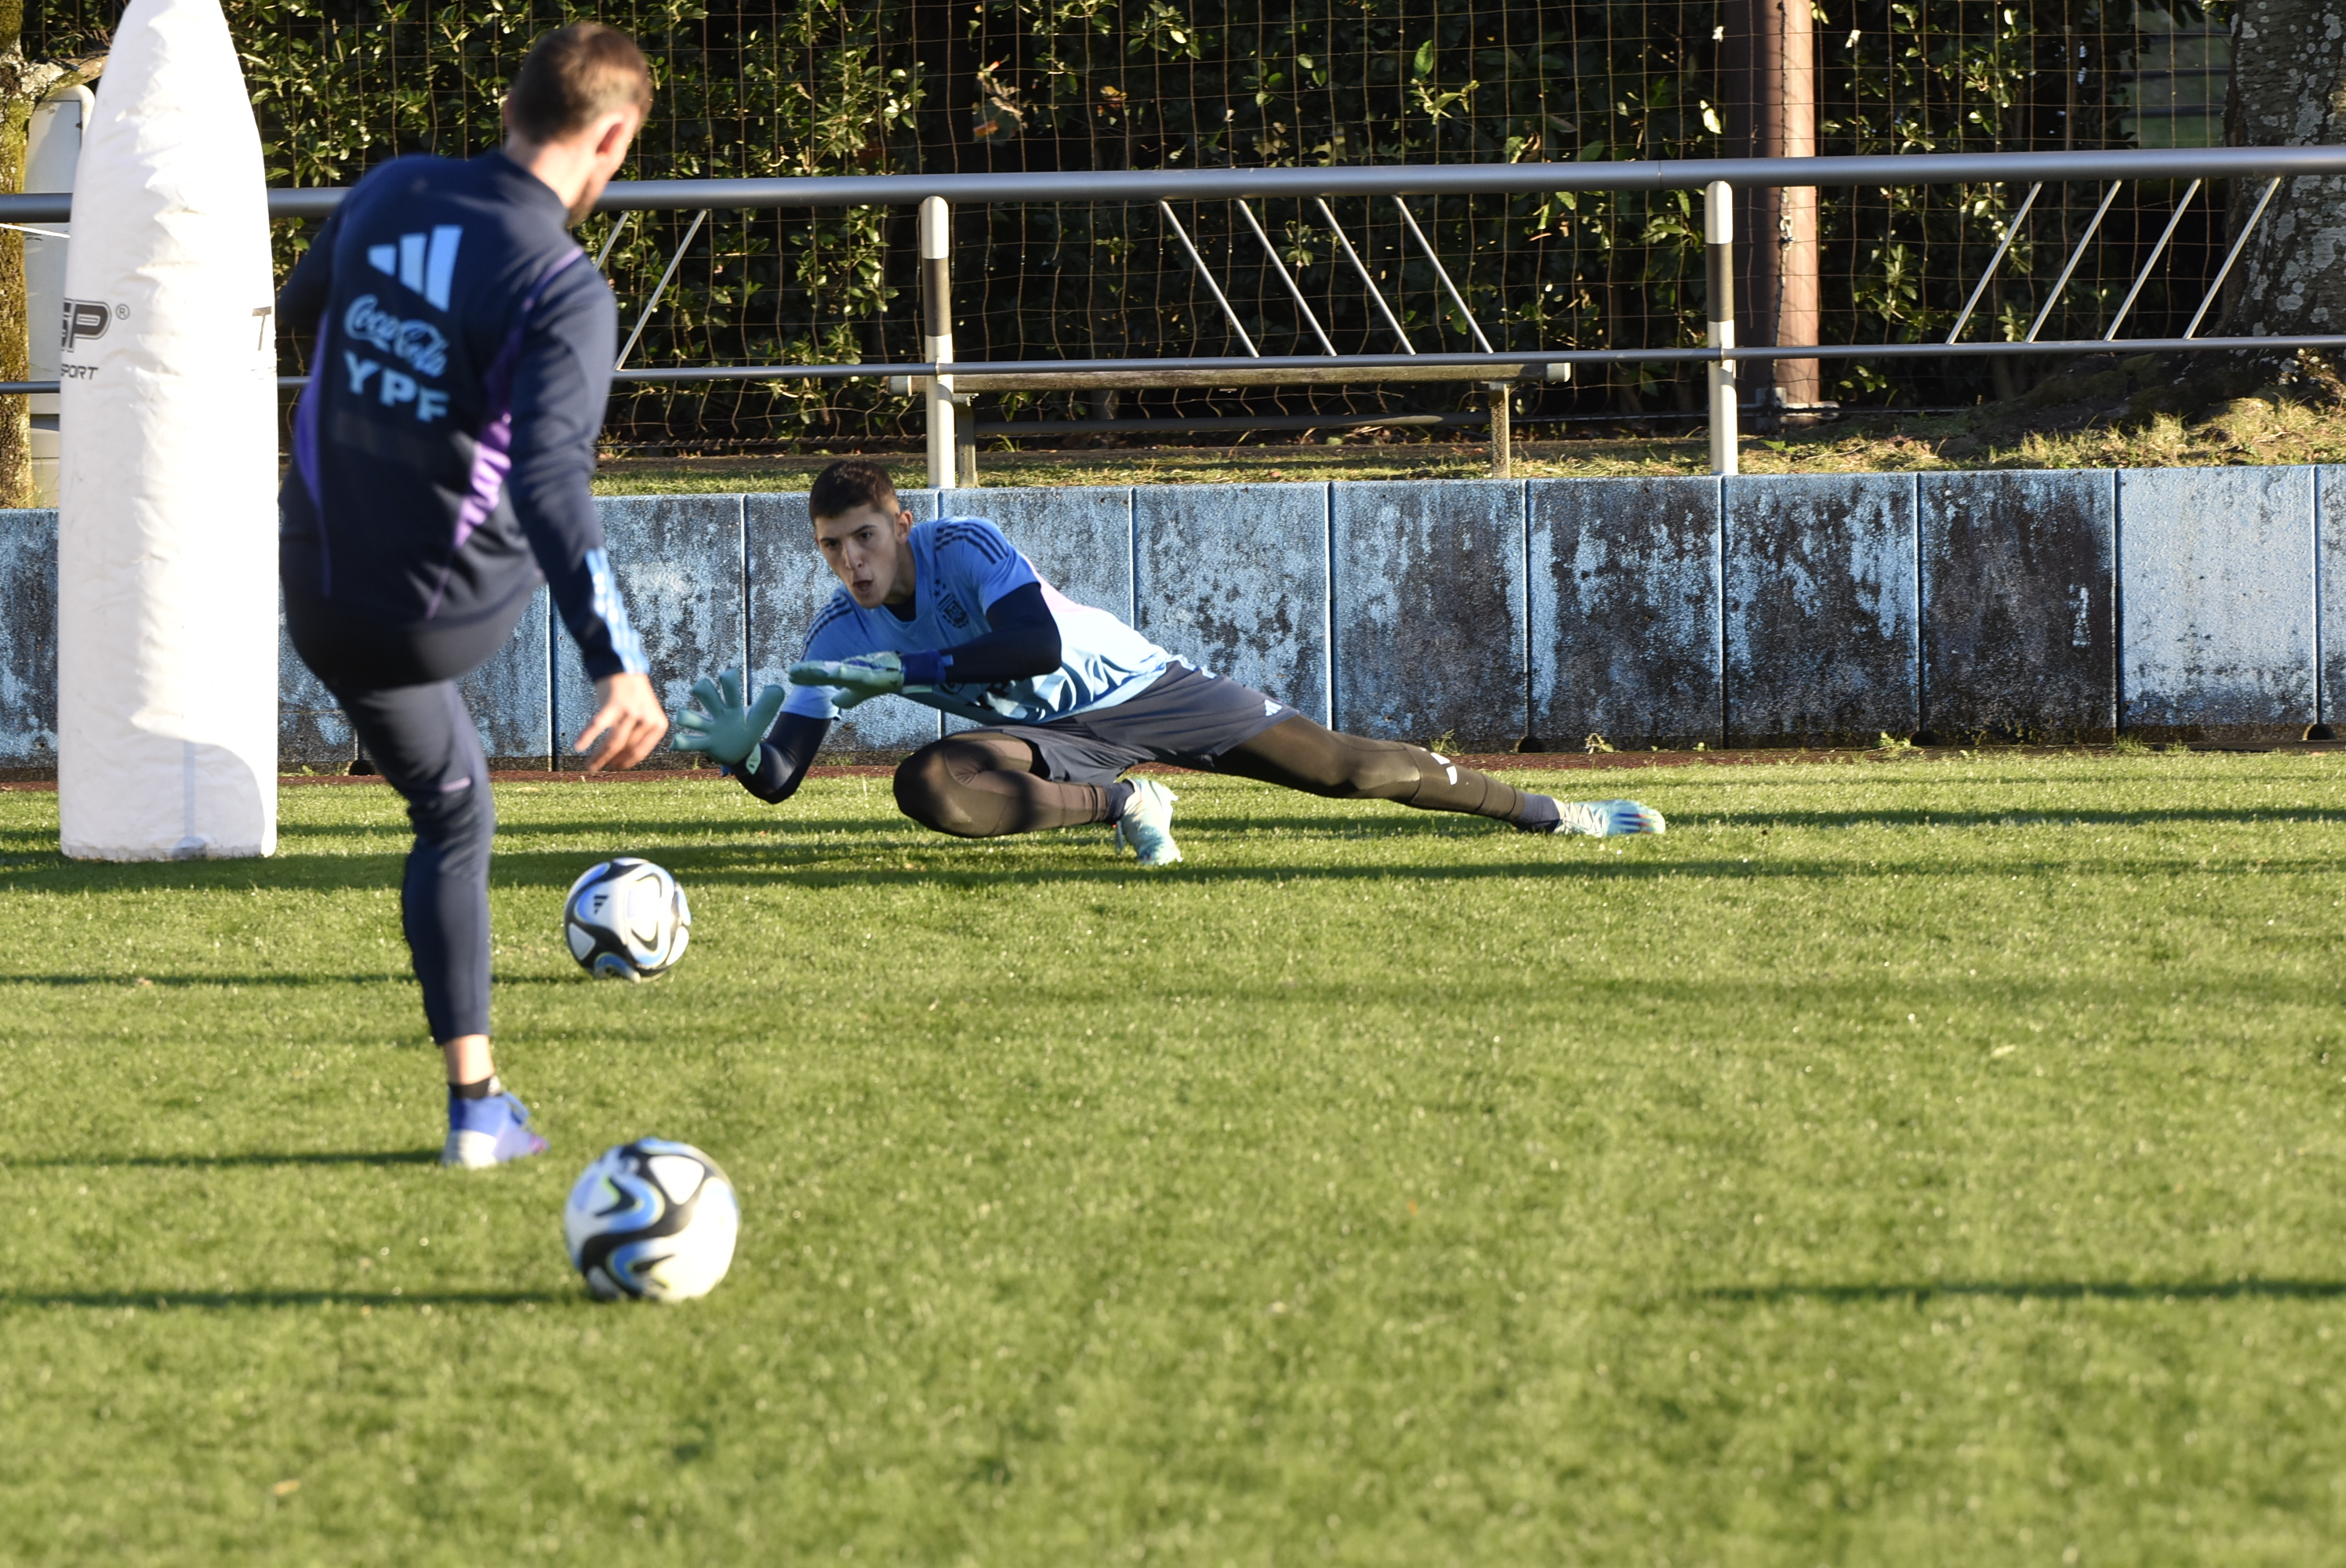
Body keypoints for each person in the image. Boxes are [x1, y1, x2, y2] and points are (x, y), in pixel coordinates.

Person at [278, 22, 668, 1167]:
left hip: (318, 593)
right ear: (608, 136)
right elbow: (550, 482)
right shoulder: (561, 284)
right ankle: (475, 1113)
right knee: (455, 813)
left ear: (510, 108)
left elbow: (303, 307)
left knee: (453, 809)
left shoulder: (393, 186)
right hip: (437, 611)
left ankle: (479, 1105)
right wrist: (615, 656)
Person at [674, 460, 1663, 858]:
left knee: (1348, 771)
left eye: (863, 536)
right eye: (830, 546)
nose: (849, 561)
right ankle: (1125, 806)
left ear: (902, 523)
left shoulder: (962, 545)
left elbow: (1036, 642)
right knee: (927, 782)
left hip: (1144, 688)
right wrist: (739, 751)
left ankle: (1550, 810)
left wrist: (913, 674)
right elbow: (780, 779)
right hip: (1051, 739)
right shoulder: (834, 634)